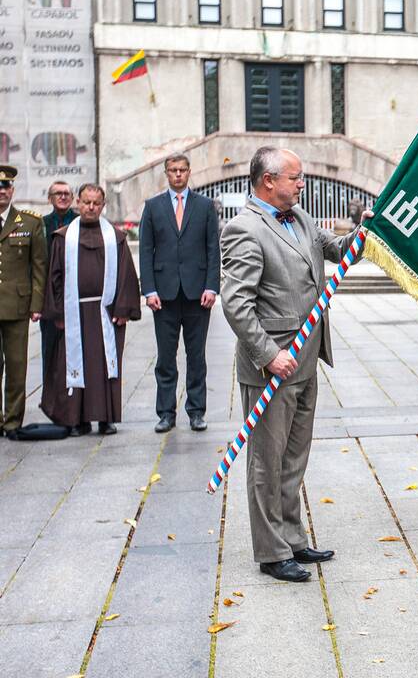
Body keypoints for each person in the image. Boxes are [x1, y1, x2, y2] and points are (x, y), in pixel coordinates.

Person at [221, 146, 364, 582]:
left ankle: (292, 538)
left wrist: (367, 230)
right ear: (269, 181)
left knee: (294, 456)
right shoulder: (244, 229)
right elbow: (236, 303)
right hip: (273, 366)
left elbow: (340, 251)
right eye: (295, 178)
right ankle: (271, 551)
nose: (302, 184)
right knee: (267, 459)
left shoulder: (300, 218)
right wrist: (269, 353)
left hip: (306, 359)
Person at [41, 184, 141, 436]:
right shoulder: (63, 238)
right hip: (74, 313)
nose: (91, 207)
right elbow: (54, 277)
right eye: (86, 202)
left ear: (103, 205)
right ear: (78, 202)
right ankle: (76, 419)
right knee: (74, 365)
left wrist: (123, 308)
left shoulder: (115, 238)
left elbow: (126, 276)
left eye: (96, 203)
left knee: (105, 366)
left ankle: (106, 419)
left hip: (106, 313)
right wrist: (59, 313)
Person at [139, 153, 221, 433]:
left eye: (182, 170)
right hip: (164, 295)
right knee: (165, 358)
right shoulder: (152, 207)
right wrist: (148, 290)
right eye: (173, 170)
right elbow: (145, 251)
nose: (178, 175)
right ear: (166, 173)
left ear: (189, 172)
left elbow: (213, 248)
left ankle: (197, 412)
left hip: (198, 294)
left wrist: (212, 286)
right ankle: (165, 413)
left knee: (196, 357)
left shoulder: (205, 206)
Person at [0, 165, 47, 438]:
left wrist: (36, 305)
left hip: (17, 306)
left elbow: (39, 266)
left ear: (12, 190)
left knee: (17, 366)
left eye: (5, 187)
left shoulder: (30, 222)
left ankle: (13, 422)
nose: (1, 192)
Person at [40, 181, 77, 381]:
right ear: (50, 198)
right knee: (50, 346)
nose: (63, 197)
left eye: (66, 193)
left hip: (77, 293)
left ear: (72, 197)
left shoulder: (81, 222)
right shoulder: (41, 224)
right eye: (58, 193)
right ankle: (50, 391)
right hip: (49, 296)